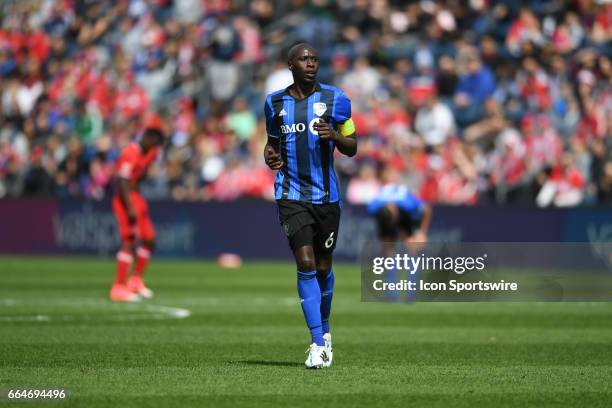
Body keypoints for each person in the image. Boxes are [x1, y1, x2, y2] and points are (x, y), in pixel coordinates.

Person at [263, 43, 357, 369]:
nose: (311, 64)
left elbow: (353, 146)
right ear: (291, 65)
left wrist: (334, 135)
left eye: (315, 59)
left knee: (323, 267)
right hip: (290, 195)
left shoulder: (336, 99)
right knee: (305, 262)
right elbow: (271, 146)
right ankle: (317, 343)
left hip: (327, 198)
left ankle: (326, 331)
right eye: (304, 59)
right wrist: (269, 156)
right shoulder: (274, 103)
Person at [110, 115, 165, 302]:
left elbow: (139, 177)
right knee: (129, 240)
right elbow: (123, 180)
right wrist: (130, 206)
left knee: (149, 239)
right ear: (148, 136)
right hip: (125, 199)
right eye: (156, 138)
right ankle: (118, 287)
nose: (157, 144)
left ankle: (135, 280)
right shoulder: (130, 152)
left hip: (136, 197)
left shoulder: (150, 153)